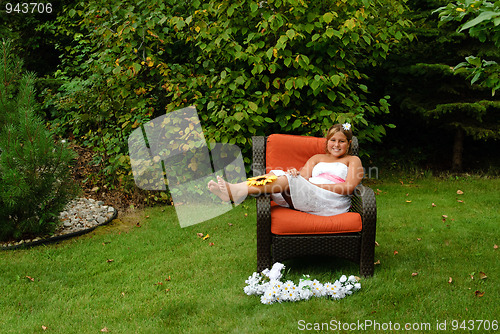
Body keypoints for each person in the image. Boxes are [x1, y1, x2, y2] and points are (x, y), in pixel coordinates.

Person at [208, 123, 364, 216]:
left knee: (284, 178)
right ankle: (234, 191)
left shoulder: (352, 160)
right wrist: (295, 174)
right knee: (277, 174)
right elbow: (302, 177)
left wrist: (313, 185)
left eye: (341, 141)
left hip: (332, 200)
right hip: (308, 191)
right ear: (327, 141)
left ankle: (236, 191)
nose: (336, 145)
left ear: (349, 143)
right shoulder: (317, 158)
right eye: (333, 140)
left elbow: (348, 187)